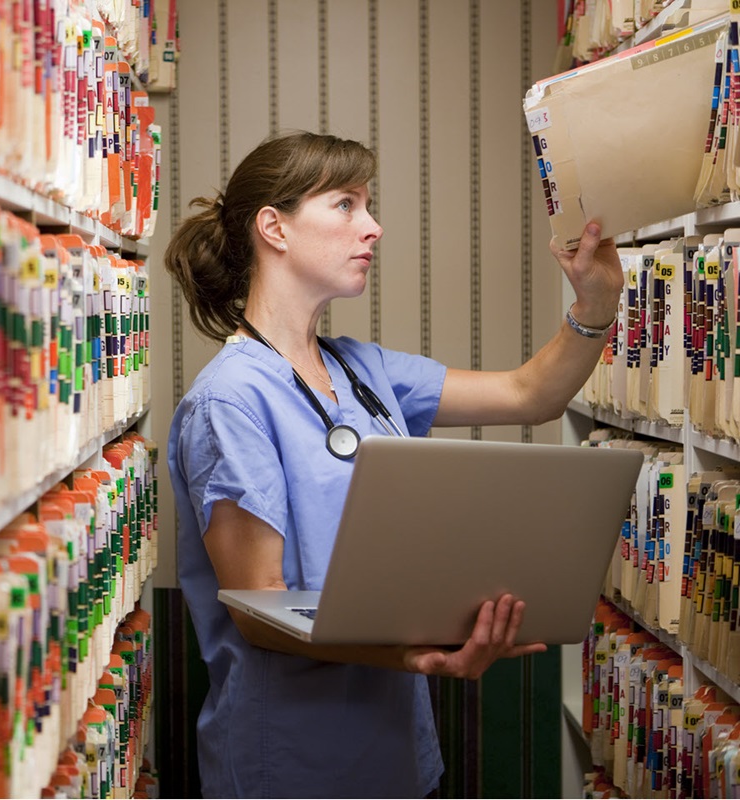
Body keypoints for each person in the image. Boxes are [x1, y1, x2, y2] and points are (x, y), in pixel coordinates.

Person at [164, 131, 624, 798]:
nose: (373, 227)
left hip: (400, 756)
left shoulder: (362, 368)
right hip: (291, 766)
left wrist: (596, 305)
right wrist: (413, 652)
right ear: (274, 228)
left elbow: (533, 393)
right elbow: (257, 608)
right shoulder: (229, 398)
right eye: (346, 205)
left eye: (368, 206)